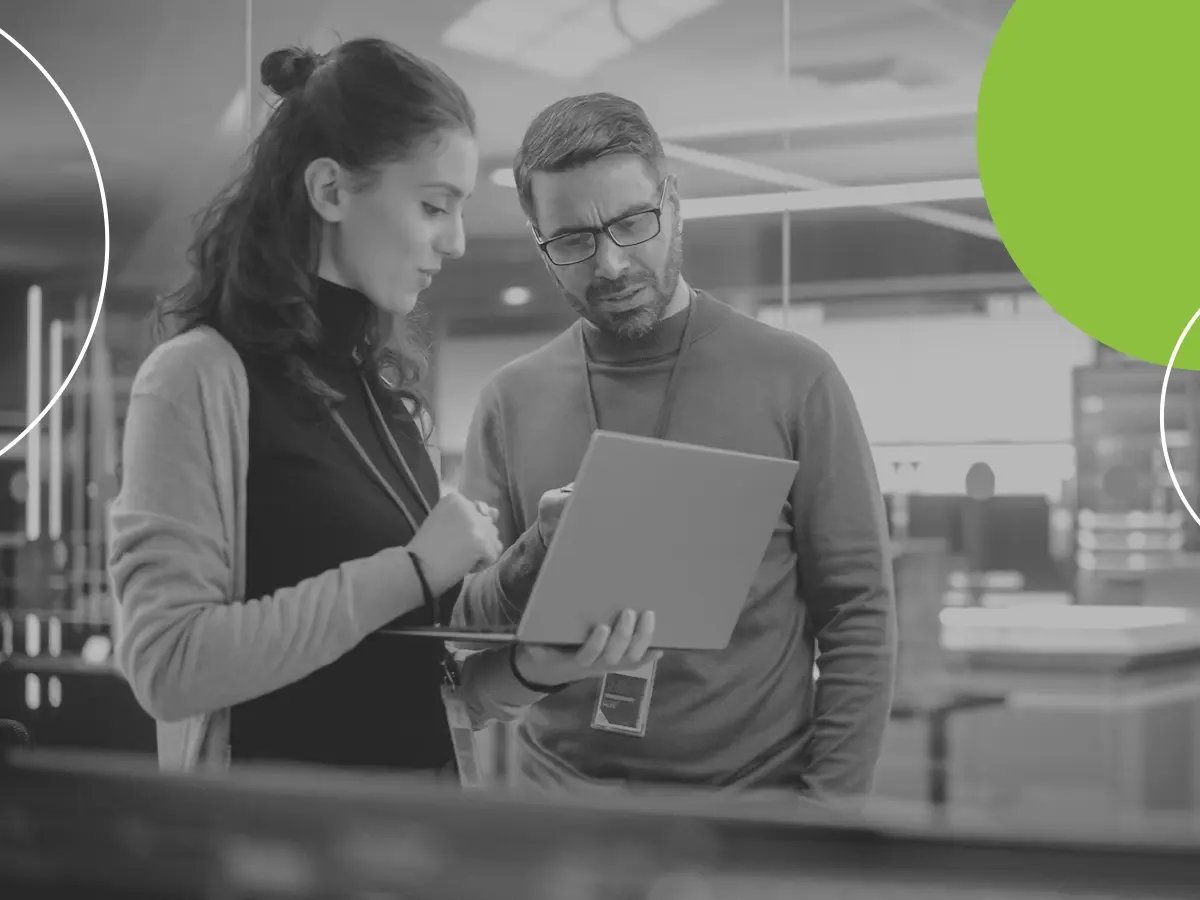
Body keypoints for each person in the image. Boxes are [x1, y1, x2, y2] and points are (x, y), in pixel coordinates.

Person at [108, 41, 657, 776]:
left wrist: (534, 654)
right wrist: (412, 567)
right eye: (434, 206)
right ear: (331, 191)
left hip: (409, 844)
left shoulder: (384, 397)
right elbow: (168, 667)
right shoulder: (195, 380)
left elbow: (412, 679)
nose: (456, 240)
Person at [455, 92, 897, 806]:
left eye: (633, 223)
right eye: (572, 240)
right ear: (540, 241)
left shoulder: (794, 377)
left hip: (755, 815)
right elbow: (466, 624)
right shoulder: (510, 400)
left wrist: (827, 815)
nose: (611, 264)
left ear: (673, 201)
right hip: (563, 816)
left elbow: (858, 612)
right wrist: (534, 555)